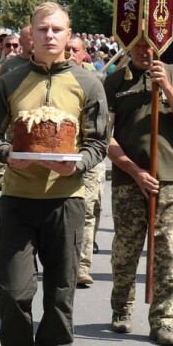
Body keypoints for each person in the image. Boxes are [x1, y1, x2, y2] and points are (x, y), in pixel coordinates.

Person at [0, 2, 109, 346]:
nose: (49, 35)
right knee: (12, 289)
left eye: (57, 30)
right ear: (30, 35)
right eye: (42, 29)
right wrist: (7, 154)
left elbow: (98, 142)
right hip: (19, 198)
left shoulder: (88, 83)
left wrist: (79, 163)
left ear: (69, 35)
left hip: (66, 201)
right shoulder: (10, 81)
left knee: (61, 291)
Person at [104, 38, 173, 346]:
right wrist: (136, 171)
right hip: (130, 180)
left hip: (169, 180)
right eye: (138, 47)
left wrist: (166, 87)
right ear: (127, 48)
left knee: (167, 250)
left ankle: (163, 320)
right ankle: (121, 308)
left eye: (150, 46)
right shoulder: (116, 80)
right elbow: (106, 138)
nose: (144, 52)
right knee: (126, 249)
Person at [67, 35, 106, 288]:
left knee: (90, 209)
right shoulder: (54, 80)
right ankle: (66, 260)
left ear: (84, 54)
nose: (70, 53)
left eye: (75, 50)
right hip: (62, 156)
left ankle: (82, 266)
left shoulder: (95, 82)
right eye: (66, 49)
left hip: (90, 154)